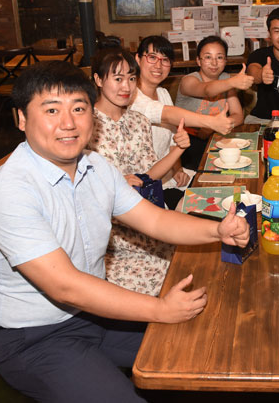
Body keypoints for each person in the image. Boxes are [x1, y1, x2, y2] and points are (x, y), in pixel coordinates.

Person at [0, 61, 249, 402]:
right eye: (52, 110)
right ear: (21, 119)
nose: (68, 123)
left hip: (93, 316)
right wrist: (160, 309)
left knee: (209, 348)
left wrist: (218, 230)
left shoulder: (95, 166)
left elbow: (155, 221)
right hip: (35, 339)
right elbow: (65, 286)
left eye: (79, 109)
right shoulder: (11, 191)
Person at [89, 48, 188, 296]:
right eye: (118, 78)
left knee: (190, 268)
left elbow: (148, 176)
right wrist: (113, 182)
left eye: (132, 78)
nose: (127, 87)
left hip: (149, 220)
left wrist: (178, 149)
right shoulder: (84, 124)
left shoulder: (139, 121)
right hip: (114, 236)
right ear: (98, 80)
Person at [132, 35, 236, 189]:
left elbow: (173, 140)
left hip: (168, 176)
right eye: (152, 57)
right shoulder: (131, 96)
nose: (158, 65)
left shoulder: (162, 93)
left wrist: (178, 169)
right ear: (138, 59)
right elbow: (167, 114)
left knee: (226, 184)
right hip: (141, 182)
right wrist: (212, 122)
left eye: (165, 60)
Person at [175, 35, 248, 170]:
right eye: (208, 57)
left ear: (225, 61)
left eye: (219, 57)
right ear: (198, 61)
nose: (214, 63)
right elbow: (207, 90)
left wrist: (214, 126)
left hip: (217, 137)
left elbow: (238, 115)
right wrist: (232, 82)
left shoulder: (226, 79)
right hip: (188, 141)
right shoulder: (189, 81)